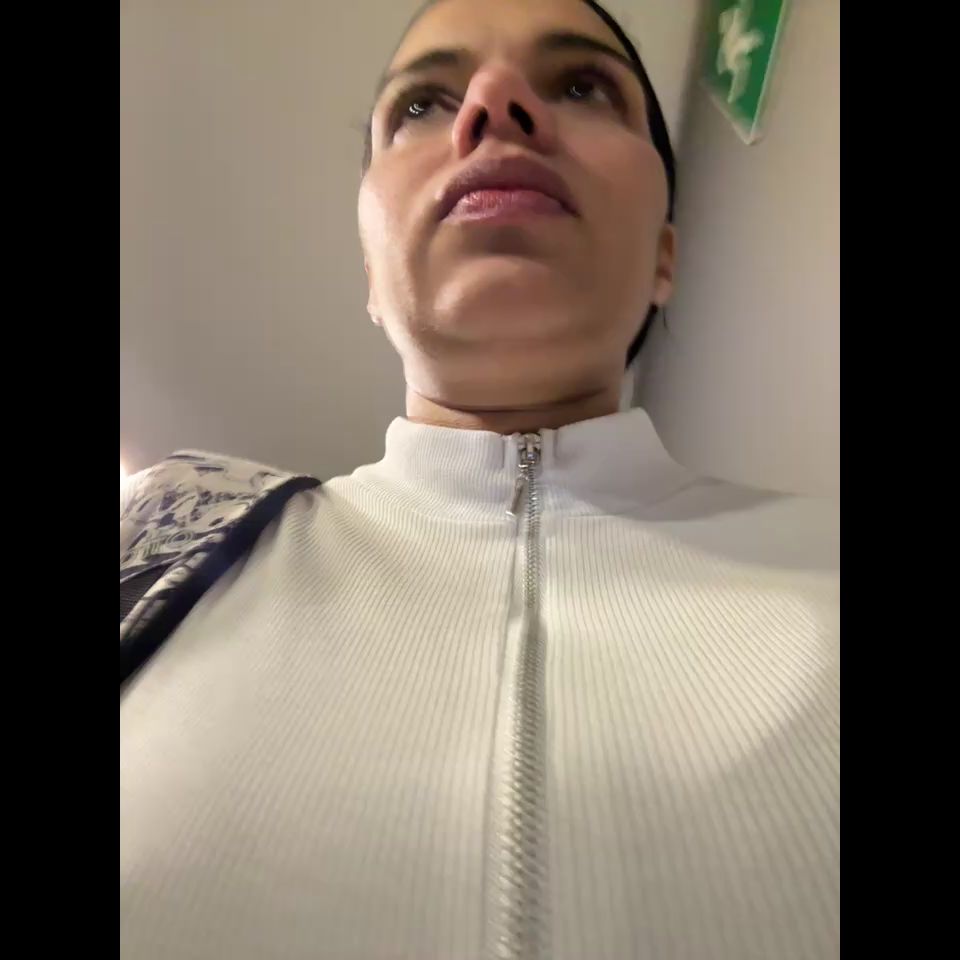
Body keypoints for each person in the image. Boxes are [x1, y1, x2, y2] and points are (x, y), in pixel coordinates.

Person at [120, 1, 839, 958]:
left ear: (666, 256)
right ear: (371, 276)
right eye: (420, 104)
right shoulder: (163, 528)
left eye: (583, 86)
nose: (493, 102)